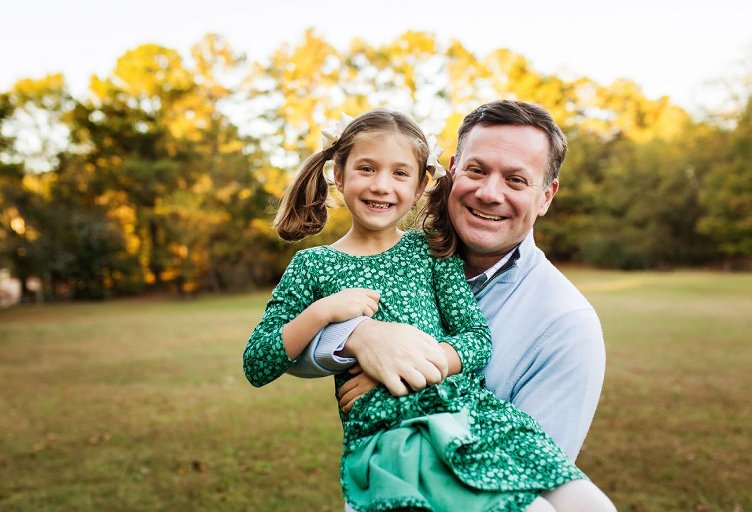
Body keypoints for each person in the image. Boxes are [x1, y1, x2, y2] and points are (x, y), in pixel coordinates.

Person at [244, 108, 614, 511]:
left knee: (592, 507)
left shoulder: (431, 251)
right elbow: (258, 362)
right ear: (338, 173)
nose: (382, 186)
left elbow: (476, 339)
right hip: (398, 434)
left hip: (471, 414)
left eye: (400, 173)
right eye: (367, 168)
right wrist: (330, 317)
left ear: (422, 183)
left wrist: (414, 368)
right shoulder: (312, 266)